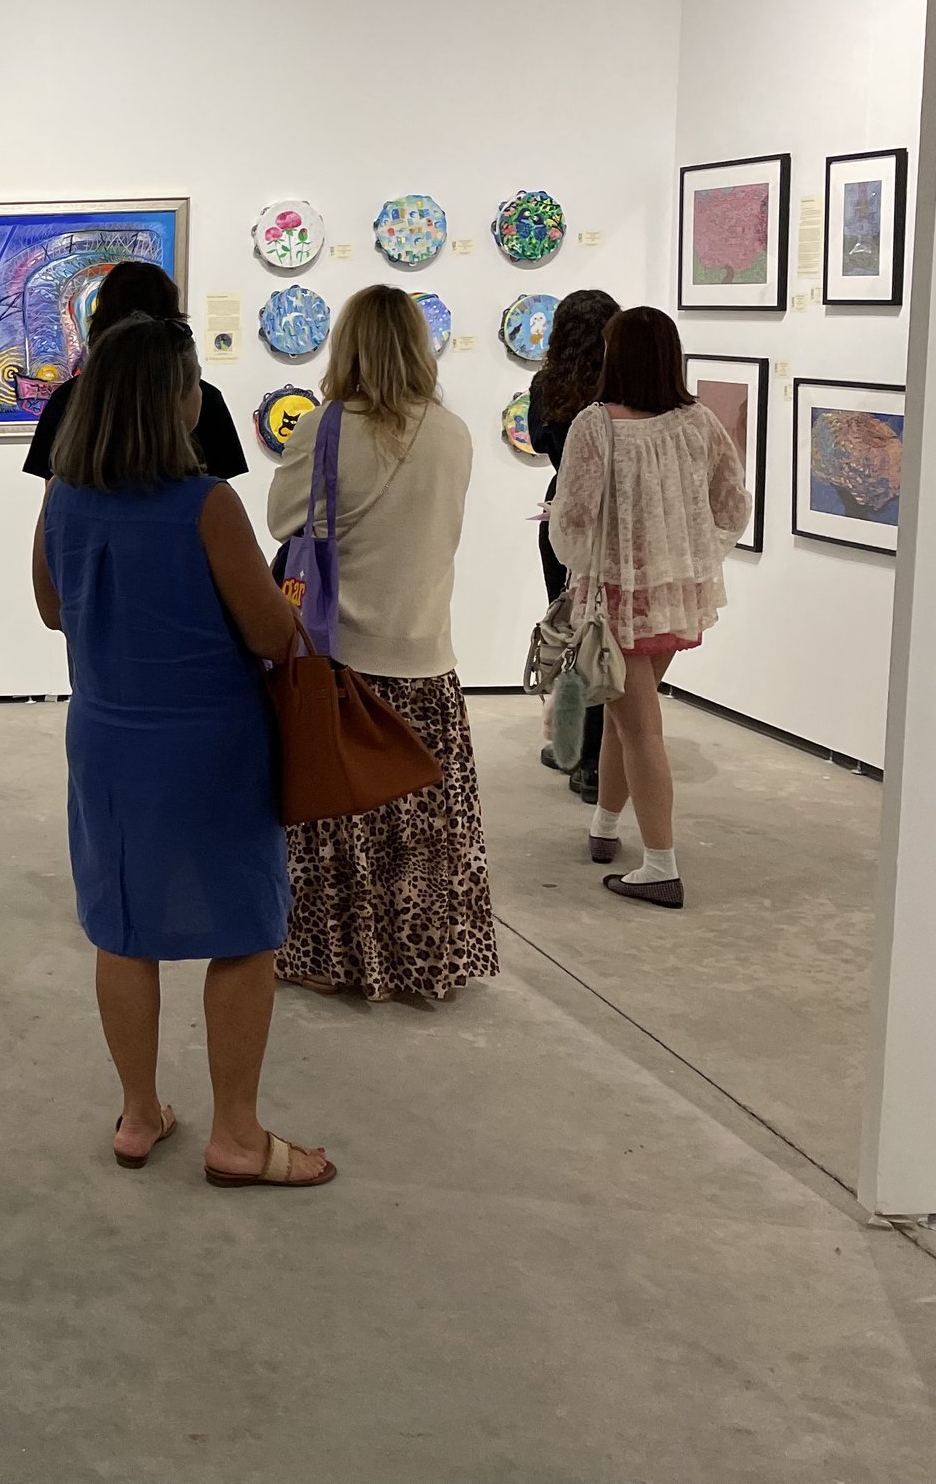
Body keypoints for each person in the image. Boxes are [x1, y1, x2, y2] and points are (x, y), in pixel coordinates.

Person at [33, 313, 333, 1187]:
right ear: (177, 397)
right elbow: (272, 634)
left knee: (122, 927)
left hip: (105, 738)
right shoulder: (207, 503)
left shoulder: (63, 495)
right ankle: (236, 1134)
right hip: (210, 743)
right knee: (243, 929)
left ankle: (138, 1113)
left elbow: (52, 609)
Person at [265, 285, 495, 1001]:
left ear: (349, 346)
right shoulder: (454, 432)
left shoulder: (326, 426)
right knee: (425, 831)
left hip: (343, 657)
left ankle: (335, 960)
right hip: (427, 654)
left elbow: (281, 521)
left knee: (339, 820)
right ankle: (427, 964)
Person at [550, 307, 752, 909]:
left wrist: (581, 557)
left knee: (638, 727)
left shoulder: (595, 425)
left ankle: (661, 865)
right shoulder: (699, 422)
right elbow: (732, 504)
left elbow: (574, 518)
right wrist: (688, 556)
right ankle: (605, 828)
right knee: (624, 714)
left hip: (615, 598)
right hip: (672, 597)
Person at [22, 262, 247, 483]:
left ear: (102, 321)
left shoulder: (69, 398)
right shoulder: (202, 397)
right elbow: (218, 494)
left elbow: (53, 497)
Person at [527, 289, 621, 799]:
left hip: (563, 513)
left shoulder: (548, 385)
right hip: (617, 519)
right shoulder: (621, 387)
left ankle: (576, 750)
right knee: (608, 636)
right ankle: (597, 761)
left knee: (569, 631)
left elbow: (541, 442)